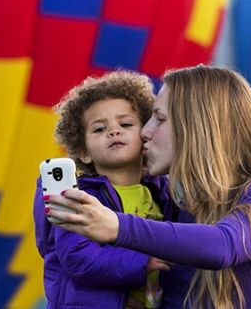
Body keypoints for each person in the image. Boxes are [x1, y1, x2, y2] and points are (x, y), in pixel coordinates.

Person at [46, 65, 251, 309]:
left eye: (160, 118)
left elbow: (221, 245)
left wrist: (116, 226)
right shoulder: (177, 207)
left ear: (198, 127)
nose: (144, 131)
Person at [34, 71, 191, 309]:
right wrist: (142, 262)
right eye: (99, 129)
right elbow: (78, 258)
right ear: (83, 151)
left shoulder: (164, 195)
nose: (114, 131)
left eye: (125, 124)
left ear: (146, 136)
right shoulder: (79, 199)